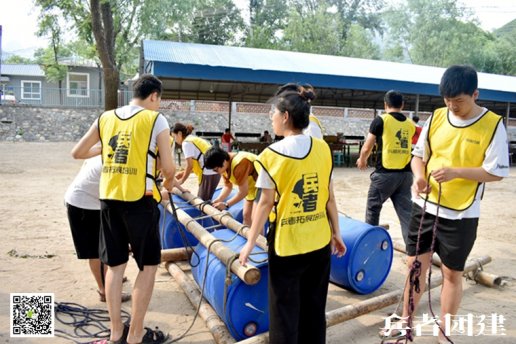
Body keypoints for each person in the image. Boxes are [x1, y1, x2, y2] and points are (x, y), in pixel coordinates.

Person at [382, 65, 509, 343]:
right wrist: (417, 177)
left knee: (452, 274)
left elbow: (497, 171)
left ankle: (444, 333)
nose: (453, 107)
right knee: (415, 268)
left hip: (462, 214)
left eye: (459, 102)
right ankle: (406, 325)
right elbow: (418, 156)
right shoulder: (437, 117)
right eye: (447, 101)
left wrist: (457, 171)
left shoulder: (492, 125)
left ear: (475, 94)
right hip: (425, 206)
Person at [71, 74, 176, 344]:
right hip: (140, 200)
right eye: (158, 99)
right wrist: (170, 183)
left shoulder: (106, 118)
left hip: (108, 200)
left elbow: (78, 152)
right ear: (154, 95)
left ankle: (115, 332)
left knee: (115, 267)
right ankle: (136, 334)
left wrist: (107, 148)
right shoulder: (156, 119)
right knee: (149, 266)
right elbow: (168, 167)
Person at [239, 89, 346, 344]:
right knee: (314, 308)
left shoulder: (270, 155)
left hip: (287, 244)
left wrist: (250, 242)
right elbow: (329, 196)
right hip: (319, 241)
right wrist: (336, 233)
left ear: (285, 116)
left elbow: (264, 204)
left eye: (273, 113)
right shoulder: (323, 149)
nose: (270, 117)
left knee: (284, 311)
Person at [64, 155, 131, 304]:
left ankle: (110, 278)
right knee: (97, 251)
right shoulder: (118, 164)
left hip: (93, 201)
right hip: (84, 205)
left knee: (109, 245)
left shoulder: (106, 151)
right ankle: (104, 290)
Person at [356, 90, 415, 245]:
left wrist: (362, 160)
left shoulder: (380, 120)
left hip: (385, 175)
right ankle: (413, 251)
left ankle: (369, 245)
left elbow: (367, 146)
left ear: (385, 104)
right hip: (406, 176)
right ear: (402, 105)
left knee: (373, 209)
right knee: (406, 214)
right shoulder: (410, 124)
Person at [204, 147, 259, 226]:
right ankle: (248, 238)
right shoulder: (225, 165)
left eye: (216, 170)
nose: (216, 172)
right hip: (252, 189)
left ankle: (258, 238)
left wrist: (226, 204)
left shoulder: (240, 164)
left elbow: (243, 192)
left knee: (256, 219)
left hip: (264, 188)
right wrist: (219, 199)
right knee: (246, 216)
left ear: (223, 162)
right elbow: (228, 186)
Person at [171, 123, 221, 201]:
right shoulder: (192, 138)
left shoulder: (186, 143)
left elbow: (190, 165)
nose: (175, 140)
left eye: (174, 137)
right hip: (215, 171)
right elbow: (197, 161)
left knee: (202, 202)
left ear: (179, 134)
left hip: (208, 173)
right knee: (206, 200)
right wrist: (183, 173)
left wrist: (182, 181)